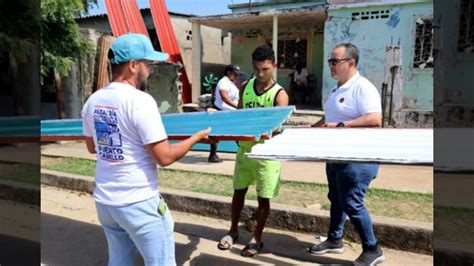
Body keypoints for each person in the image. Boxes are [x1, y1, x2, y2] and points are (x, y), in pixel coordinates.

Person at [81, 33, 211, 266]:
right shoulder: (140, 101)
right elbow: (165, 157)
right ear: (133, 65)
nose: (150, 70)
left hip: (106, 202)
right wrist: (196, 138)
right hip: (138, 201)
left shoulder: (93, 100)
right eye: (147, 64)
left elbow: (92, 148)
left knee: (119, 260)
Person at [307, 43, 385, 265]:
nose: (331, 65)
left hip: (358, 157)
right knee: (336, 199)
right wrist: (312, 129)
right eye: (330, 61)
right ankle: (335, 240)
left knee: (352, 202)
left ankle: (373, 249)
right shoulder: (338, 88)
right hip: (336, 155)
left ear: (351, 63)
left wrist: (342, 125)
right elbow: (329, 118)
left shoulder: (363, 87)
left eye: (335, 61)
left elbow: (374, 119)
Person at [217, 45, 289, 257]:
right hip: (245, 151)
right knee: (238, 190)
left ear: (274, 66)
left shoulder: (279, 95)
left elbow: (277, 129)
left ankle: (257, 238)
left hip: (267, 154)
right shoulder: (245, 86)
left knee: (263, 197)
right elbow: (240, 115)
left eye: (265, 69)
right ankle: (232, 230)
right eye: (257, 69)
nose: (260, 73)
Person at [208, 64, 241, 163]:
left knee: (237, 132)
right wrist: (237, 107)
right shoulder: (224, 82)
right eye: (235, 74)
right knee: (215, 134)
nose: (236, 76)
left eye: (237, 75)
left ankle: (244, 152)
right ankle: (212, 155)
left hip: (230, 112)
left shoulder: (230, 83)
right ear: (228, 73)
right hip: (221, 112)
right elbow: (224, 97)